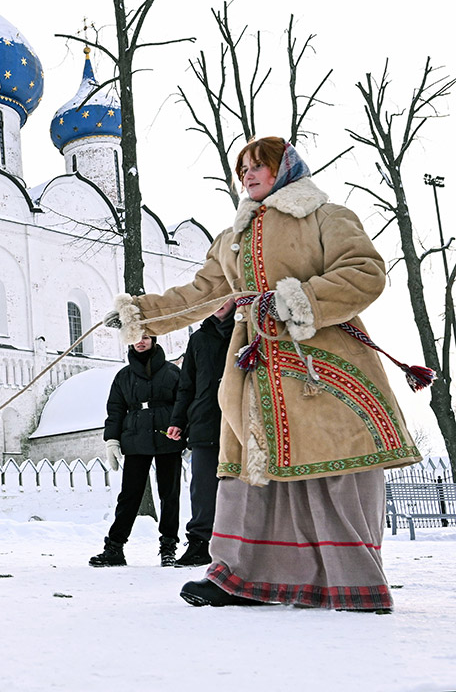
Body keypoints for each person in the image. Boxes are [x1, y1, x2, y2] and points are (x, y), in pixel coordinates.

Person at [110, 137, 421, 611]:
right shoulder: (231, 237)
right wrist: (141, 315)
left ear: (286, 168)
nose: (249, 175)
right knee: (249, 474)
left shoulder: (324, 216)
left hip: (323, 368)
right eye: (243, 169)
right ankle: (240, 578)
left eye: (260, 166)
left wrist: (298, 301)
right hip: (256, 373)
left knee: (332, 469)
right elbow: (198, 294)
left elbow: (364, 271)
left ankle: (352, 582)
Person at [89, 335, 184, 568]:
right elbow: (115, 409)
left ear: (153, 339)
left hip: (167, 436)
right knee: (129, 495)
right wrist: (112, 439)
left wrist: (183, 427)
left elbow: (183, 402)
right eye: (134, 338)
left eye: (144, 337)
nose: (139, 342)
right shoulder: (124, 376)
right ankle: (114, 548)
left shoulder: (172, 372)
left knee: (169, 495)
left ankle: (168, 547)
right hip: (135, 438)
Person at [166, 298, 235, 567]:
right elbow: (187, 385)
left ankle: (244, 543)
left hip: (240, 422)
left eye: (223, 297)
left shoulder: (248, 330)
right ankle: (199, 543)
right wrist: (178, 421)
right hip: (205, 422)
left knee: (243, 486)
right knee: (203, 487)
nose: (217, 303)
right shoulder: (198, 339)